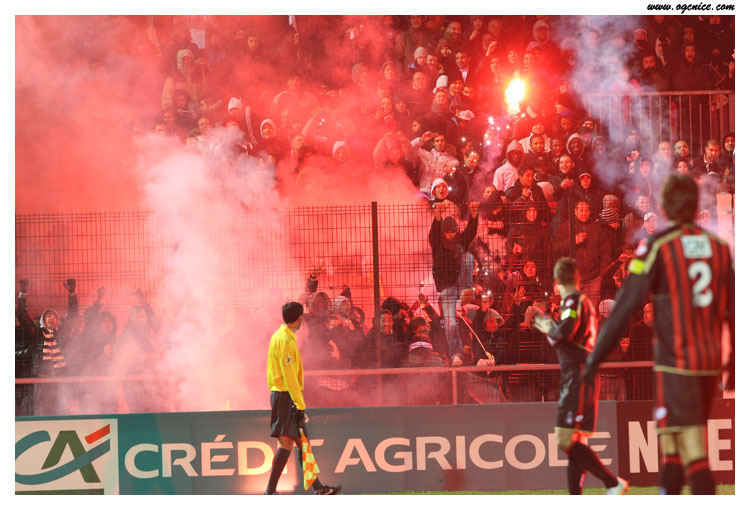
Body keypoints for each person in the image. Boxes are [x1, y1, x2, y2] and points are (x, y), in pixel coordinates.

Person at [583, 174, 735, 495]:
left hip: (677, 361)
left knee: (692, 448)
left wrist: (595, 357)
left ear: (665, 206)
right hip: (710, 361)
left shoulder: (658, 246)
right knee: (673, 446)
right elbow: (733, 311)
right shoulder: (719, 248)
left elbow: (624, 306)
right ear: (695, 205)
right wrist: (732, 364)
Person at [531, 257, 629, 495]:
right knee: (576, 441)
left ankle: (612, 483)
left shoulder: (573, 301)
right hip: (583, 374)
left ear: (557, 281)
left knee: (564, 439)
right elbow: (567, 335)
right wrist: (552, 328)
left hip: (577, 376)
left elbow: (566, 332)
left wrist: (547, 325)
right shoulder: (580, 302)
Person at [264, 301, 341, 495]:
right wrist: (299, 404)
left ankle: (319, 488)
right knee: (287, 443)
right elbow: (289, 374)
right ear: (299, 318)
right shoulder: (285, 339)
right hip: (285, 396)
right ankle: (270, 492)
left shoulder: (281, 336)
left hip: (284, 395)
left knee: (301, 443)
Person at [429, 200, 479, 366]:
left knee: (468, 256)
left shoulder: (460, 241)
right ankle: (456, 354)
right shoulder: (437, 244)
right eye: (447, 232)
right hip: (447, 287)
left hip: (461, 283)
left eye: (453, 232)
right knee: (450, 322)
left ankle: (466, 291)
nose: (450, 235)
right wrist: (438, 214)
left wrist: (473, 214)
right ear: (443, 232)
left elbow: (470, 232)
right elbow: (433, 233)